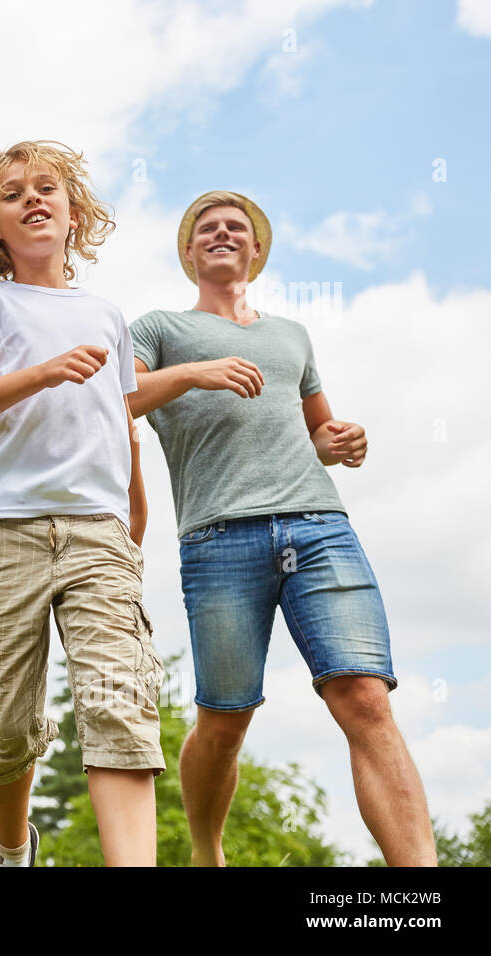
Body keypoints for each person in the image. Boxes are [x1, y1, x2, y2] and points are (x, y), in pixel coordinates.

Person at [128, 190, 437, 866]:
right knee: (226, 717)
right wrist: (194, 373)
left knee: (364, 696)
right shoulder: (157, 328)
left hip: (321, 526)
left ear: (255, 251)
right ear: (189, 253)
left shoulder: (291, 336)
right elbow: (117, 399)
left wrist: (342, 440)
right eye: (206, 228)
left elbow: (317, 433)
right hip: (218, 537)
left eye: (235, 227)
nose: (221, 232)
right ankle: (208, 851)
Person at [0, 141, 163, 867]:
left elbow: (118, 423)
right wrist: (41, 372)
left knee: (118, 702)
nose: (33, 198)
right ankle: (11, 846)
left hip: (98, 535)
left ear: (73, 213)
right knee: (6, 726)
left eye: (48, 188)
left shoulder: (107, 315)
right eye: (13, 193)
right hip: (4, 535)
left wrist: (134, 518)